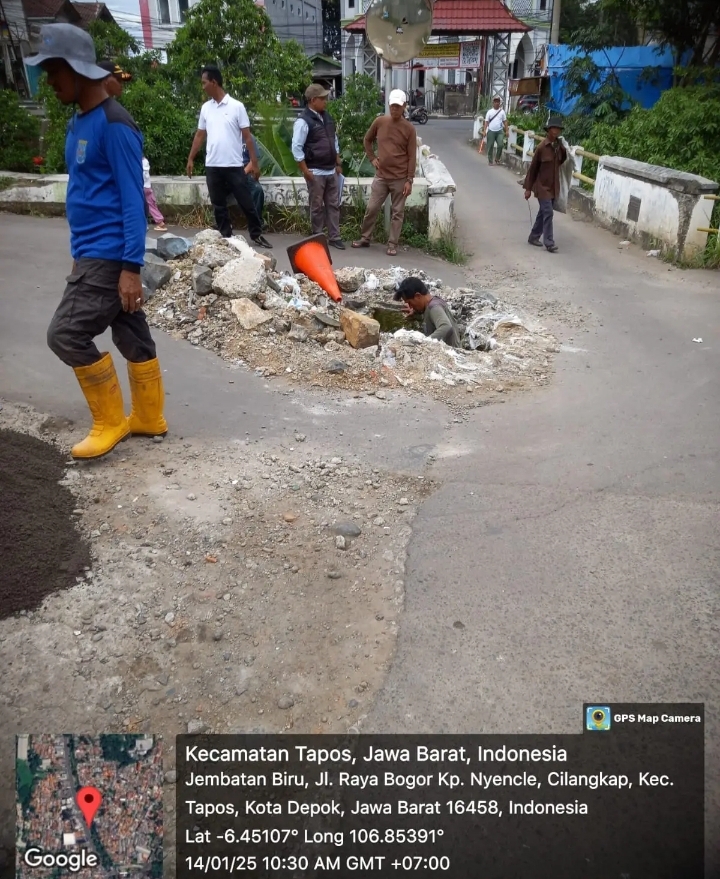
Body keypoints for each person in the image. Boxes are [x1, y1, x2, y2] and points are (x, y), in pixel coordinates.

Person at [25, 23, 167, 459]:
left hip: (110, 256)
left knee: (65, 334)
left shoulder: (115, 125)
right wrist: (77, 255)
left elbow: (131, 202)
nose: (49, 81)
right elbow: (84, 195)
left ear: (76, 69)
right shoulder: (79, 120)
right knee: (130, 331)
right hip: (92, 252)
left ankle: (110, 422)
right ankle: (148, 417)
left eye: (54, 71)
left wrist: (130, 268)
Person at [186, 65, 271, 248]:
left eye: (204, 83)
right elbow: (200, 135)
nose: (202, 87)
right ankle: (227, 238)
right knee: (219, 205)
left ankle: (256, 234)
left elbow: (247, 137)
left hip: (233, 165)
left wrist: (254, 164)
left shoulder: (236, 107)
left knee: (246, 202)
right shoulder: (206, 108)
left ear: (214, 82)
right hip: (213, 165)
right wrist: (191, 158)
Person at [352, 89, 416, 257]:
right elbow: (367, 139)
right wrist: (372, 158)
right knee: (372, 207)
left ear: (404, 106)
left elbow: (412, 156)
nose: (394, 109)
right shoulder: (380, 122)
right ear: (388, 105)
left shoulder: (409, 129)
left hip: (400, 178)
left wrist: (409, 180)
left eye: (398, 106)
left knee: (397, 212)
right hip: (381, 176)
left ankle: (392, 244)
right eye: (392, 106)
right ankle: (365, 238)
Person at [291, 83, 345, 250]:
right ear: (313, 100)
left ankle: (334, 237)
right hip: (315, 171)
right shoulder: (303, 121)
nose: (325, 101)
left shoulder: (327, 117)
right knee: (317, 207)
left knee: (333, 205)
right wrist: (305, 171)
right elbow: (296, 147)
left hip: (330, 170)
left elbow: (333, 139)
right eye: (322, 99)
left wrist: (337, 161)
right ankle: (317, 236)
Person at [524, 116, 568, 253]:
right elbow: (533, 169)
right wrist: (528, 189)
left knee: (543, 213)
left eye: (558, 129)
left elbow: (563, 160)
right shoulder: (542, 147)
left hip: (553, 186)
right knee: (548, 212)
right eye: (554, 128)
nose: (556, 131)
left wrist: (562, 147)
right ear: (548, 130)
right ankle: (549, 242)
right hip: (541, 187)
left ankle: (533, 236)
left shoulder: (559, 147)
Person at [394, 277, 461, 348]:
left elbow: (446, 327)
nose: (410, 307)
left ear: (418, 296)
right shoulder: (429, 305)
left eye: (410, 303)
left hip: (452, 353)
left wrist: (425, 342)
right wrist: (416, 313)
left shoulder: (434, 307)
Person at [242, 133, 265, 226]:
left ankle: (256, 222)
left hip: (246, 169)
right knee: (218, 187)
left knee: (257, 190)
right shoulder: (226, 136)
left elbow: (253, 160)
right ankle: (219, 222)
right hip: (230, 170)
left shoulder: (249, 137)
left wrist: (243, 173)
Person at [481, 96, 509, 165]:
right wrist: (484, 131)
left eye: (498, 102)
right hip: (491, 131)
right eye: (495, 102)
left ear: (499, 103)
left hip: (499, 131)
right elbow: (486, 122)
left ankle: (497, 158)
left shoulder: (502, 112)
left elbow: (505, 122)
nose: (496, 103)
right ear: (493, 103)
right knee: (490, 146)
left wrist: (507, 130)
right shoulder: (489, 112)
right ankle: (490, 160)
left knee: (500, 145)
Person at [142, 156, 166, 231]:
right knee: (151, 204)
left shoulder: (138, 161)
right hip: (147, 186)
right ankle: (159, 221)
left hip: (142, 186)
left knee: (140, 205)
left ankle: (144, 225)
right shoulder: (145, 161)